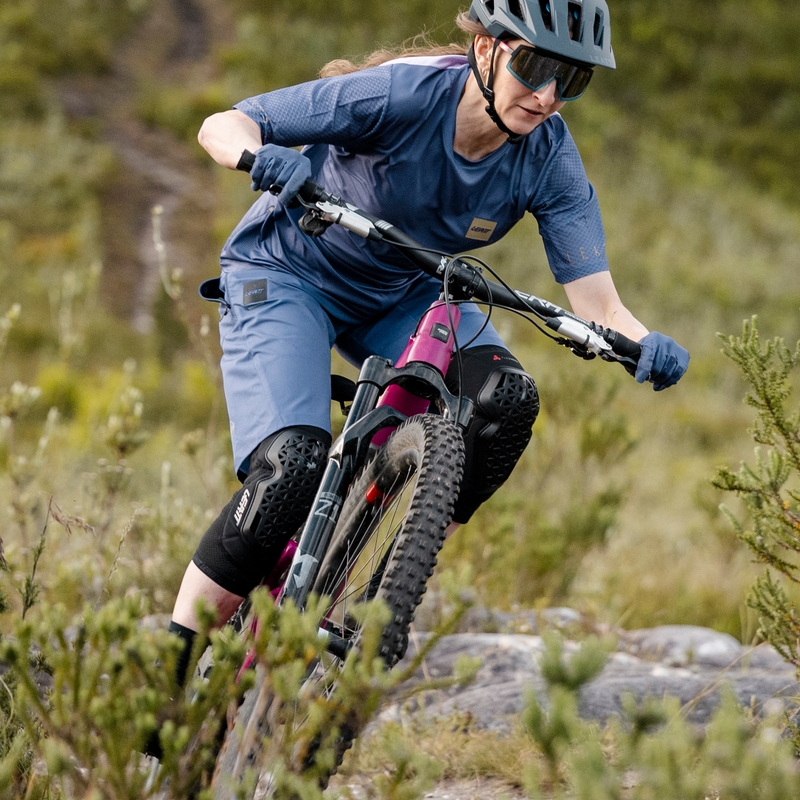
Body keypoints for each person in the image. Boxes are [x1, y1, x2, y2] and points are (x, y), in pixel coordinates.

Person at [165, 0, 690, 680]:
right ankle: (170, 669)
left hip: (406, 290)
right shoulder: (400, 94)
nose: (548, 97)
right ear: (487, 48)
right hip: (289, 273)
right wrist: (259, 156)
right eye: (536, 67)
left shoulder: (549, 156)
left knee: (505, 402)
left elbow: (600, 305)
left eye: (574, 80)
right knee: (291, 465)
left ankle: (382, 596)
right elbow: (225, 123)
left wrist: (645, 343)